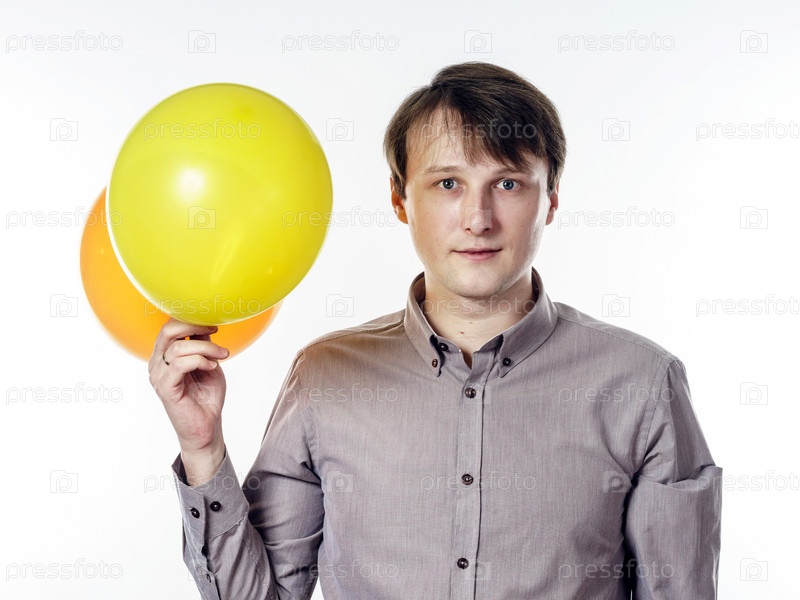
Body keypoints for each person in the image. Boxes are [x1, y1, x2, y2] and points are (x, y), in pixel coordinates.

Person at [149, 61, 722, 600]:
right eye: (448, 183)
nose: (478, 219)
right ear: (400, 199)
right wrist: (202, 447)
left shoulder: (643, 384)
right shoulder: (325, 377)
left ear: (550, 199)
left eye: (508, 183)